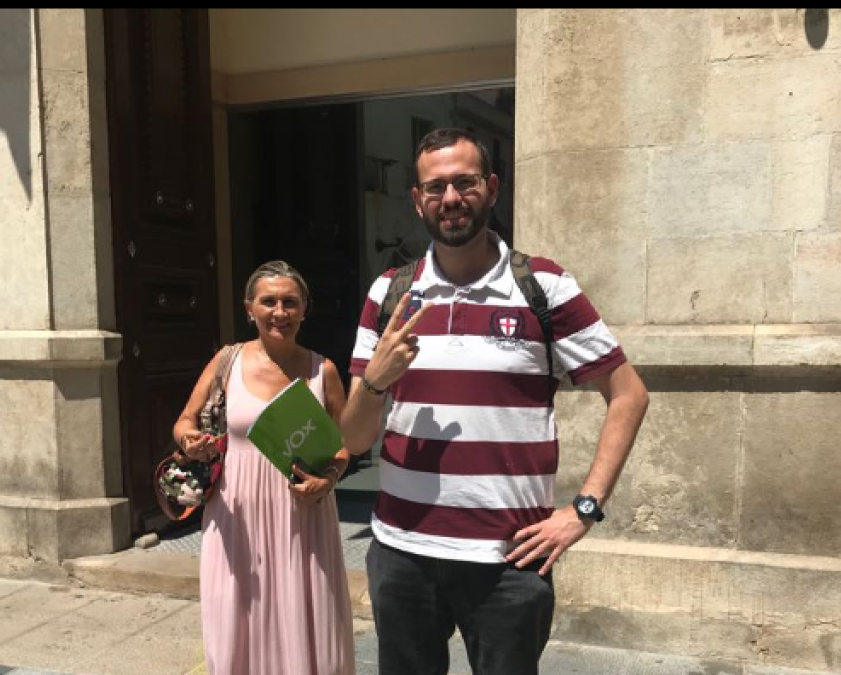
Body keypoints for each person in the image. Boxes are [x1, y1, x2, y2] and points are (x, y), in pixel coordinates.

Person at [341, 128, 650, 675]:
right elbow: (354, 438)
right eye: (435, 188)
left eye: (465, 182)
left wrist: (583, 510)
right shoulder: (388, 293)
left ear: (492, 187)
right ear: (416, 200)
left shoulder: (544, 287)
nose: (451, 199)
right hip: (401, 553)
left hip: (509, 560)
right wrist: (376, 381)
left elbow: (628, 394)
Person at [173, 260, 355, 675]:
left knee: (308, 624)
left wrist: (328, 479)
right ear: (249, 308)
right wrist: (190, 440)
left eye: (290, 302)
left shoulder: (322, 371)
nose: (279, 312)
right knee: (235, 623)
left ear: (305, 309)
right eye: (268, 301)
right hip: (236, 516)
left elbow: (345, 445)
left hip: (302, 517)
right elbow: (184, 421)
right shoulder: (227, 361)